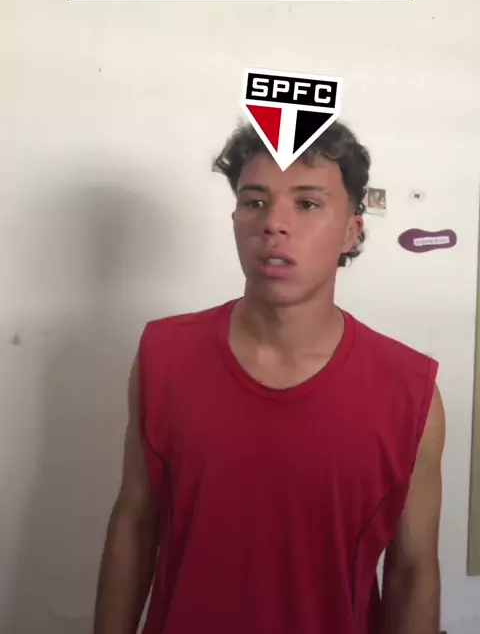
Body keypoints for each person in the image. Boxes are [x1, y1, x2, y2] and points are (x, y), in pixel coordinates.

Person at [93, 119, 445, 634]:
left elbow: (412, 572)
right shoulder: (163, 356)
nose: (274, 223)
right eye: (255, 201)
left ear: (352, 230)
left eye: (307, 203)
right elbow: (135, 522)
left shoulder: (410, 393)